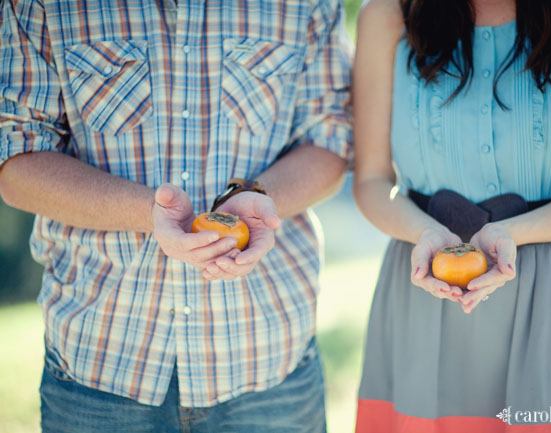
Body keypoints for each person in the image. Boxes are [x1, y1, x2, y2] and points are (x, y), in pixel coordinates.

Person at [0, 0, 352, 432]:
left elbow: (330, 139)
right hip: (101, 360)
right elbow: (17, 159)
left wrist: (254, 197)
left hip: (267, 357)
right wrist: (151, 213)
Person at [352, 0, 551, 431]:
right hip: (424, 288)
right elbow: (371, 180)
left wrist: (511, 232)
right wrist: (427, 232)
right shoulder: (387, 14)